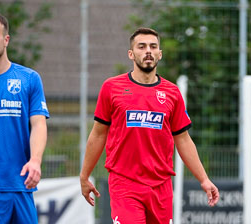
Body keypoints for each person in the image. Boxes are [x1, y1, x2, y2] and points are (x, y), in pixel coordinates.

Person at [80, 27, 219, 224]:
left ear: (159, 54)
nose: (148, 51)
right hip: (124, 184)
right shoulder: (111, 88)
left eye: (153, 47)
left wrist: (204, 180)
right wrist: (84, 176)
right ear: (131, 53)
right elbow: (98, 134)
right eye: (142, 46)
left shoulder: (172, 93)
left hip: (161, 187)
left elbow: (184, 140)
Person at [0, 13, 49, 223]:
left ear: (6, 40)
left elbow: (38, 124)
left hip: (20, 186)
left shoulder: (28, 79)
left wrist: (35, 160)